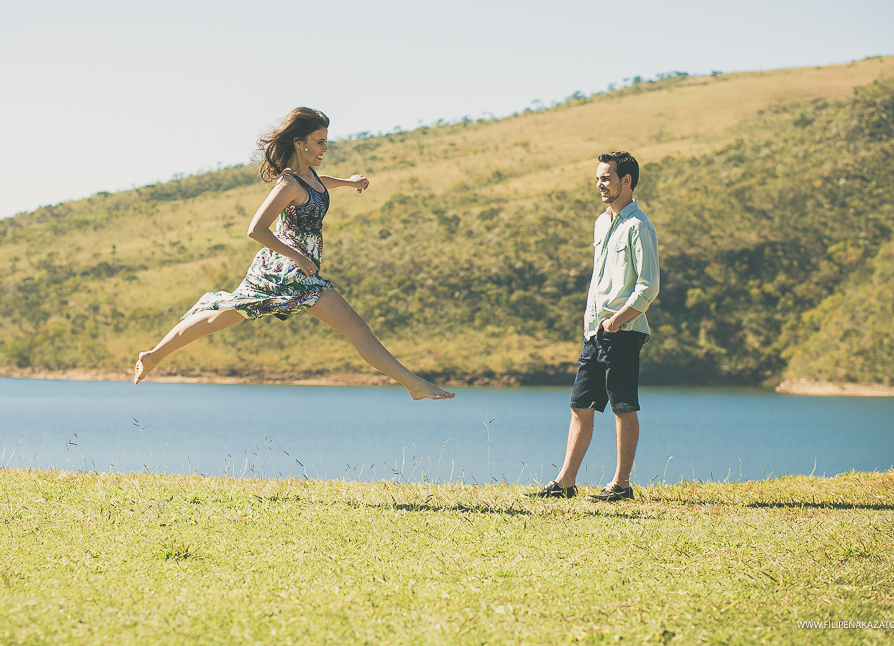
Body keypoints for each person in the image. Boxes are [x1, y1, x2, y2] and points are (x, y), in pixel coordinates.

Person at [133, 107, 455, 401]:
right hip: (288, 269)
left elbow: (319, 185)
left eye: (326, 141)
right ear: (300, 143)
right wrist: (298, 257)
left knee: (221, 316)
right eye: (319, 142)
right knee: (357, 328)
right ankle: (413, 384)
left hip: (289, 267)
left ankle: (153, 355)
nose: (325, 148)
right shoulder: (287, 184)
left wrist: (349, 182)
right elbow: (256, 229)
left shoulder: (308, 176)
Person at [525, 151, 659, 501]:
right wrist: (596, 325)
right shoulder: (601, 223)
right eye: (598, 178)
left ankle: (621, 485)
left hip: (623, 331)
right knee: (580, 405)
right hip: (594, 332)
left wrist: (615, 321)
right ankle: (565, 482)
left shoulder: (639, 226)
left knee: (622, 407)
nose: (599, 184)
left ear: (626, 181)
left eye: (606, 178)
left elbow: (648, 287)